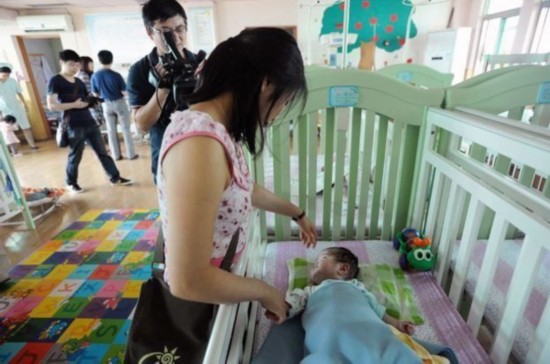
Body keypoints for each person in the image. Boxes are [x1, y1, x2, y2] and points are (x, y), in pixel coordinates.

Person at [157, 27, 317, 356]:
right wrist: (264, 291)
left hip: (218, 286)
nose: (275, 116)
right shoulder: (200, 144)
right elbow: (187, 279)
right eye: (283, 102)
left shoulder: (216, 130)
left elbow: (242, 188)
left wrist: (296, 212)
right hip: (200, 303)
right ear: (265, 84)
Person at [284, 247, 422, 363]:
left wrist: (397, 324)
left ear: (343, 268)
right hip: (326, 335)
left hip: (363, 328)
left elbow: (377, 310)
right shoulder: (310, 290)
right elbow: (295, 301)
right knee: (323, 356)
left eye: (322, 258)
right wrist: (285, 308)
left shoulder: (357, 287)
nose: (315, 264)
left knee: (390, 348)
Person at [127, 0, 200, 181]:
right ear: (149, 32)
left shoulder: (200, 64)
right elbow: (142, 126)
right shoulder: (140, 70)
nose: (175, 38)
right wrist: (163, 89)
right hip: (166, 159)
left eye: (180, 29)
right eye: (166, 32)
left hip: (201, 153)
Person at [47, 49, 132, 193]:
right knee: (76, 155)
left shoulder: (79, 81)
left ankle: (115, 177)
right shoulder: (55, 81)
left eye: (77, 65)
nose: (75, 68)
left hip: (89, 121)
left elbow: (85, 99)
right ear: (62, 63)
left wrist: (92, 102)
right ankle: (71, 182)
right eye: (71, 65)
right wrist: (74, 105)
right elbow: (52, 105)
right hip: (73, 124)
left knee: (102, 152)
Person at [91, 50, 138, 161]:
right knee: (126, 129)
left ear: (99, 60)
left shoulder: (95, 76)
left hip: (105, 104)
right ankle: (131, 154)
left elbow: (95, 94)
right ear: (111, 60)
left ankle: (116, 156)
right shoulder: (116, 75)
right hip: (119, 102)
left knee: (111, 131)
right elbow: (124, 92)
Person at [0, 66, 38, 150]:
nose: (6, 77)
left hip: (17, 107)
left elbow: (19, 93)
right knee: (7, 129)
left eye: (8, 75)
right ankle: (12, 150)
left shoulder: (12, 81)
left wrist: (24, 104)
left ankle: (32, 145)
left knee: (26, 126)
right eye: (4, 75)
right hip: (4, 109)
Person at [76, 56, 106, 127]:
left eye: (92, 63)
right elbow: (89, 91)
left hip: (91, 103)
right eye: (90, 63)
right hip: (91, 103)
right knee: (96, 123)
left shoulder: (87, 74)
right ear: (84, 64)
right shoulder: (84, 75)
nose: (92, 65)